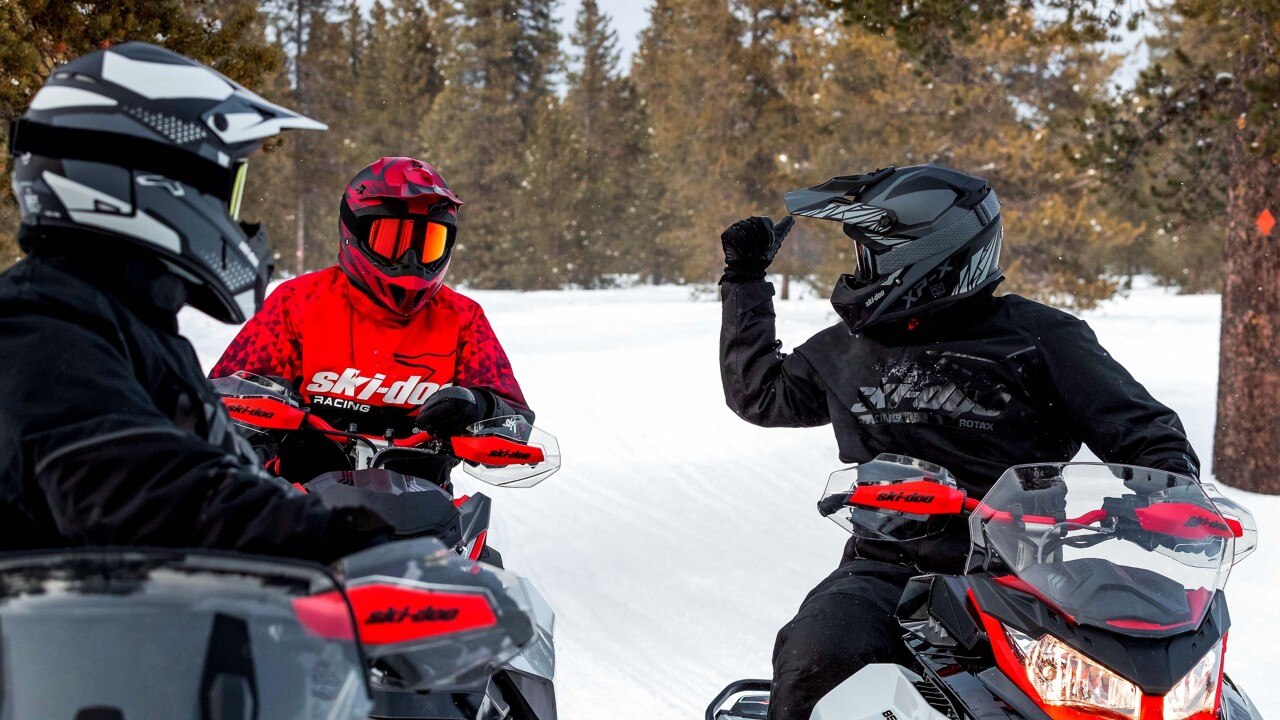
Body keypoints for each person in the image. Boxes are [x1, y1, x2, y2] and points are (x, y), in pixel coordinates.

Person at [718, 164, 1199, 720]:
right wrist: (745, 281)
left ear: (927, 252)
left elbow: (1141, 429)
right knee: (815, 653)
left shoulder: (1039, 338)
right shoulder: (846, 349)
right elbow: (761, 395)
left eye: (873, 254)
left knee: (1151, 677)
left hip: (1031, 574)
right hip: (889, 570)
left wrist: (1170, 492)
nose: (861, 270)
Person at [0, 43, 396, 560]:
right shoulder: (34, 329)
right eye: (227, 191)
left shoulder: (123, 320)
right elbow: (139, 487)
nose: (239, 222)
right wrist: (321, 534)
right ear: (154, 180)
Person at [210, 156, 532, 487]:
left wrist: (478, 407)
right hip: (300, 503)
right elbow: (219, 402)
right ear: (355, 232)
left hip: (424, 509)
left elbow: (516, 423)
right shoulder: (298, 302)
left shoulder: (462, 318)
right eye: (392, 240)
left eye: (427, 244)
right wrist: (260, 421)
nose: (411, 260)